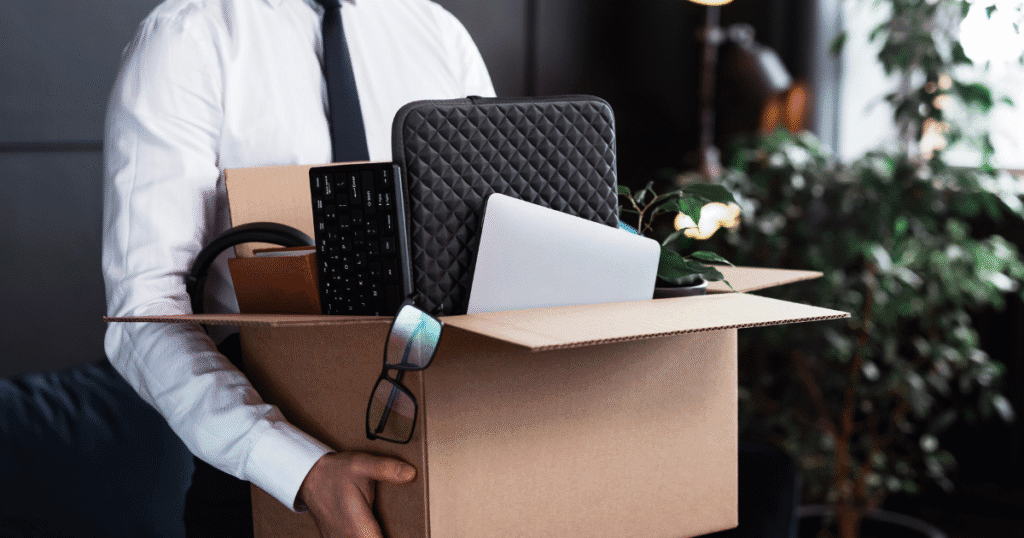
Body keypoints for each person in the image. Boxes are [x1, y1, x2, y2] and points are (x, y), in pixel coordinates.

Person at [101, 0, 495, 536]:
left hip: (443, 460)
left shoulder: (437, 33)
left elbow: (491, 253)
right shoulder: (189, 34)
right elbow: (146, 308)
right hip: (265, 483)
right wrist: (297, 467)